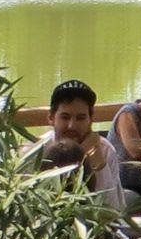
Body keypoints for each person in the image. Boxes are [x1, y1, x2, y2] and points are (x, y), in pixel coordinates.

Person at [29, 78, 124, 207]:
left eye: (80, 118)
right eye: (65, 117)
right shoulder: (36, 152)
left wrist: (99, 165)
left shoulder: (105, 150)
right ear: (51, 118)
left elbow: (113, 209)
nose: (72, 126)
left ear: (91, 120)